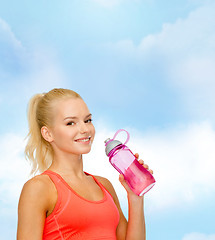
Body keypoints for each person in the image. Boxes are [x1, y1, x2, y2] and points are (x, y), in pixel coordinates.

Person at [17, 88, 153, 240]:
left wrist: (135, 198)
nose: (84, 129)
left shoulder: (104, 185)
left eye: (87, 120)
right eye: (70, 123)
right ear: (48, 134)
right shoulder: (39, 188)